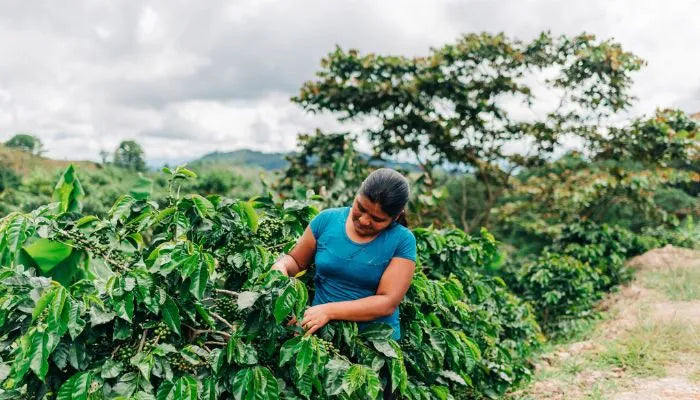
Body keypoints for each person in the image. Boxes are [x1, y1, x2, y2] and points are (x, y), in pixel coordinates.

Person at [270, 168, 416, 399]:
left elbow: (387, 302)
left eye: (377, 219)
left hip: (373, 349)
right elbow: (296, 261)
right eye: (361, 208)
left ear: (396, 217)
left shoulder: (402, 241)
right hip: (323, 340)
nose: (365, 220)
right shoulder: (327, 220)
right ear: (356, 195)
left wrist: (329, 310)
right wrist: (281, 267)